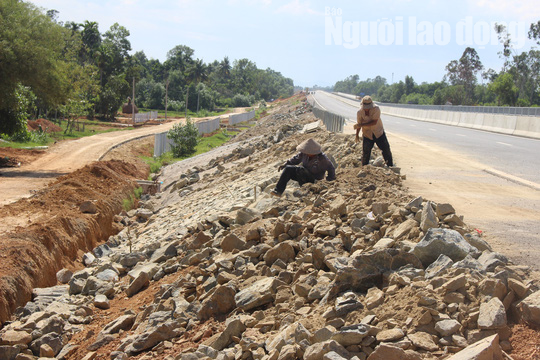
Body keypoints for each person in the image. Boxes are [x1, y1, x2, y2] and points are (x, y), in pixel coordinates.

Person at [271, 138, 335, 197]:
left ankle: (305, 191)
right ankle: (278, 191)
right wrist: (285, 164)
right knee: (288, 168)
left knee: (300, 169)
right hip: (303, 175)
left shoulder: (322, 158)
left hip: (315, 180)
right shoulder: (304, 154)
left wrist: (329, 181)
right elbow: (295, 159)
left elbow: (331, 168)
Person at [354, 95, 393, 167]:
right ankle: (364, 167)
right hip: (367, 134)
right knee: (366, 152)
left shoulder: (376, 109)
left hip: (378, 133)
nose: (367, 110)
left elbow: (374, 122)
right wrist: (357, 134)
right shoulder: (359, 112)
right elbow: (359, 124)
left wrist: (361, 125)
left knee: (386, 149)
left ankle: (390, 166)